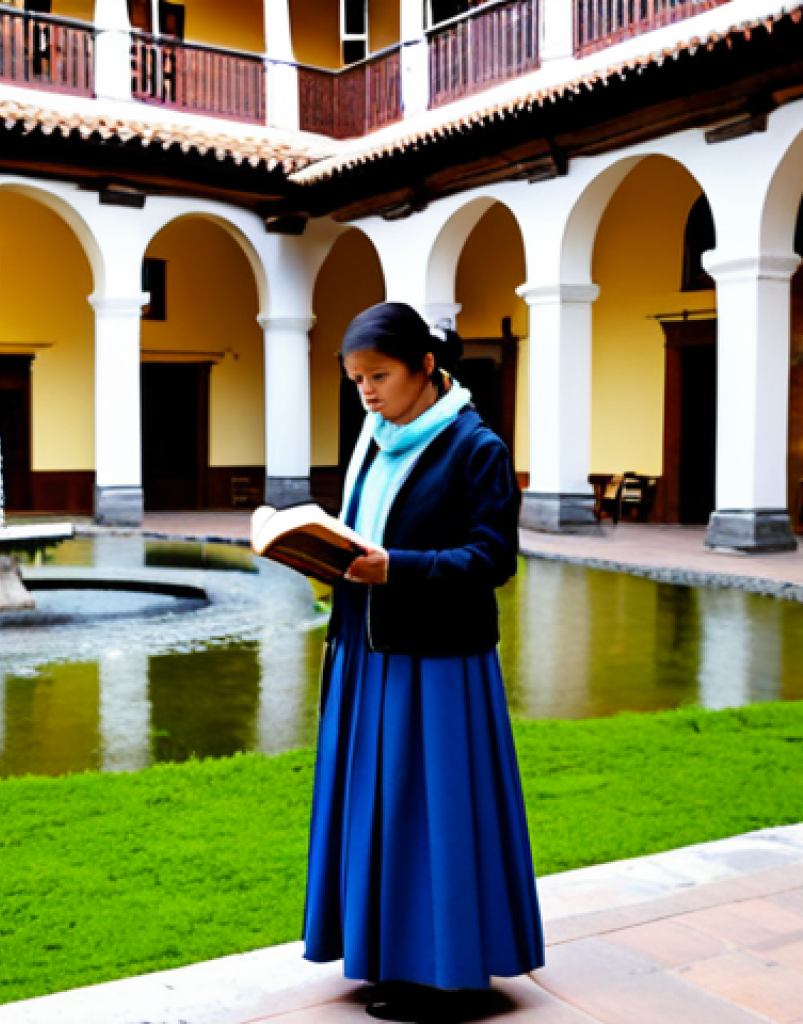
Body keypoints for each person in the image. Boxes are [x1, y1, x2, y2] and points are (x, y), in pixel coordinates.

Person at [302, 302, 544, 1022]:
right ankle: (388, 958)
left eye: (379, 375)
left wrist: (396, 570)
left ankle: (449, 980)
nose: (367, 393)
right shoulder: (376, 440)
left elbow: (493, 558)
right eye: (355, 381)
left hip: (438, 665)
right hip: (366, 654)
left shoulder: (476, 448)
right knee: (379, 810)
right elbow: (361, 537)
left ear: (425, 368)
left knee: (430, 813)